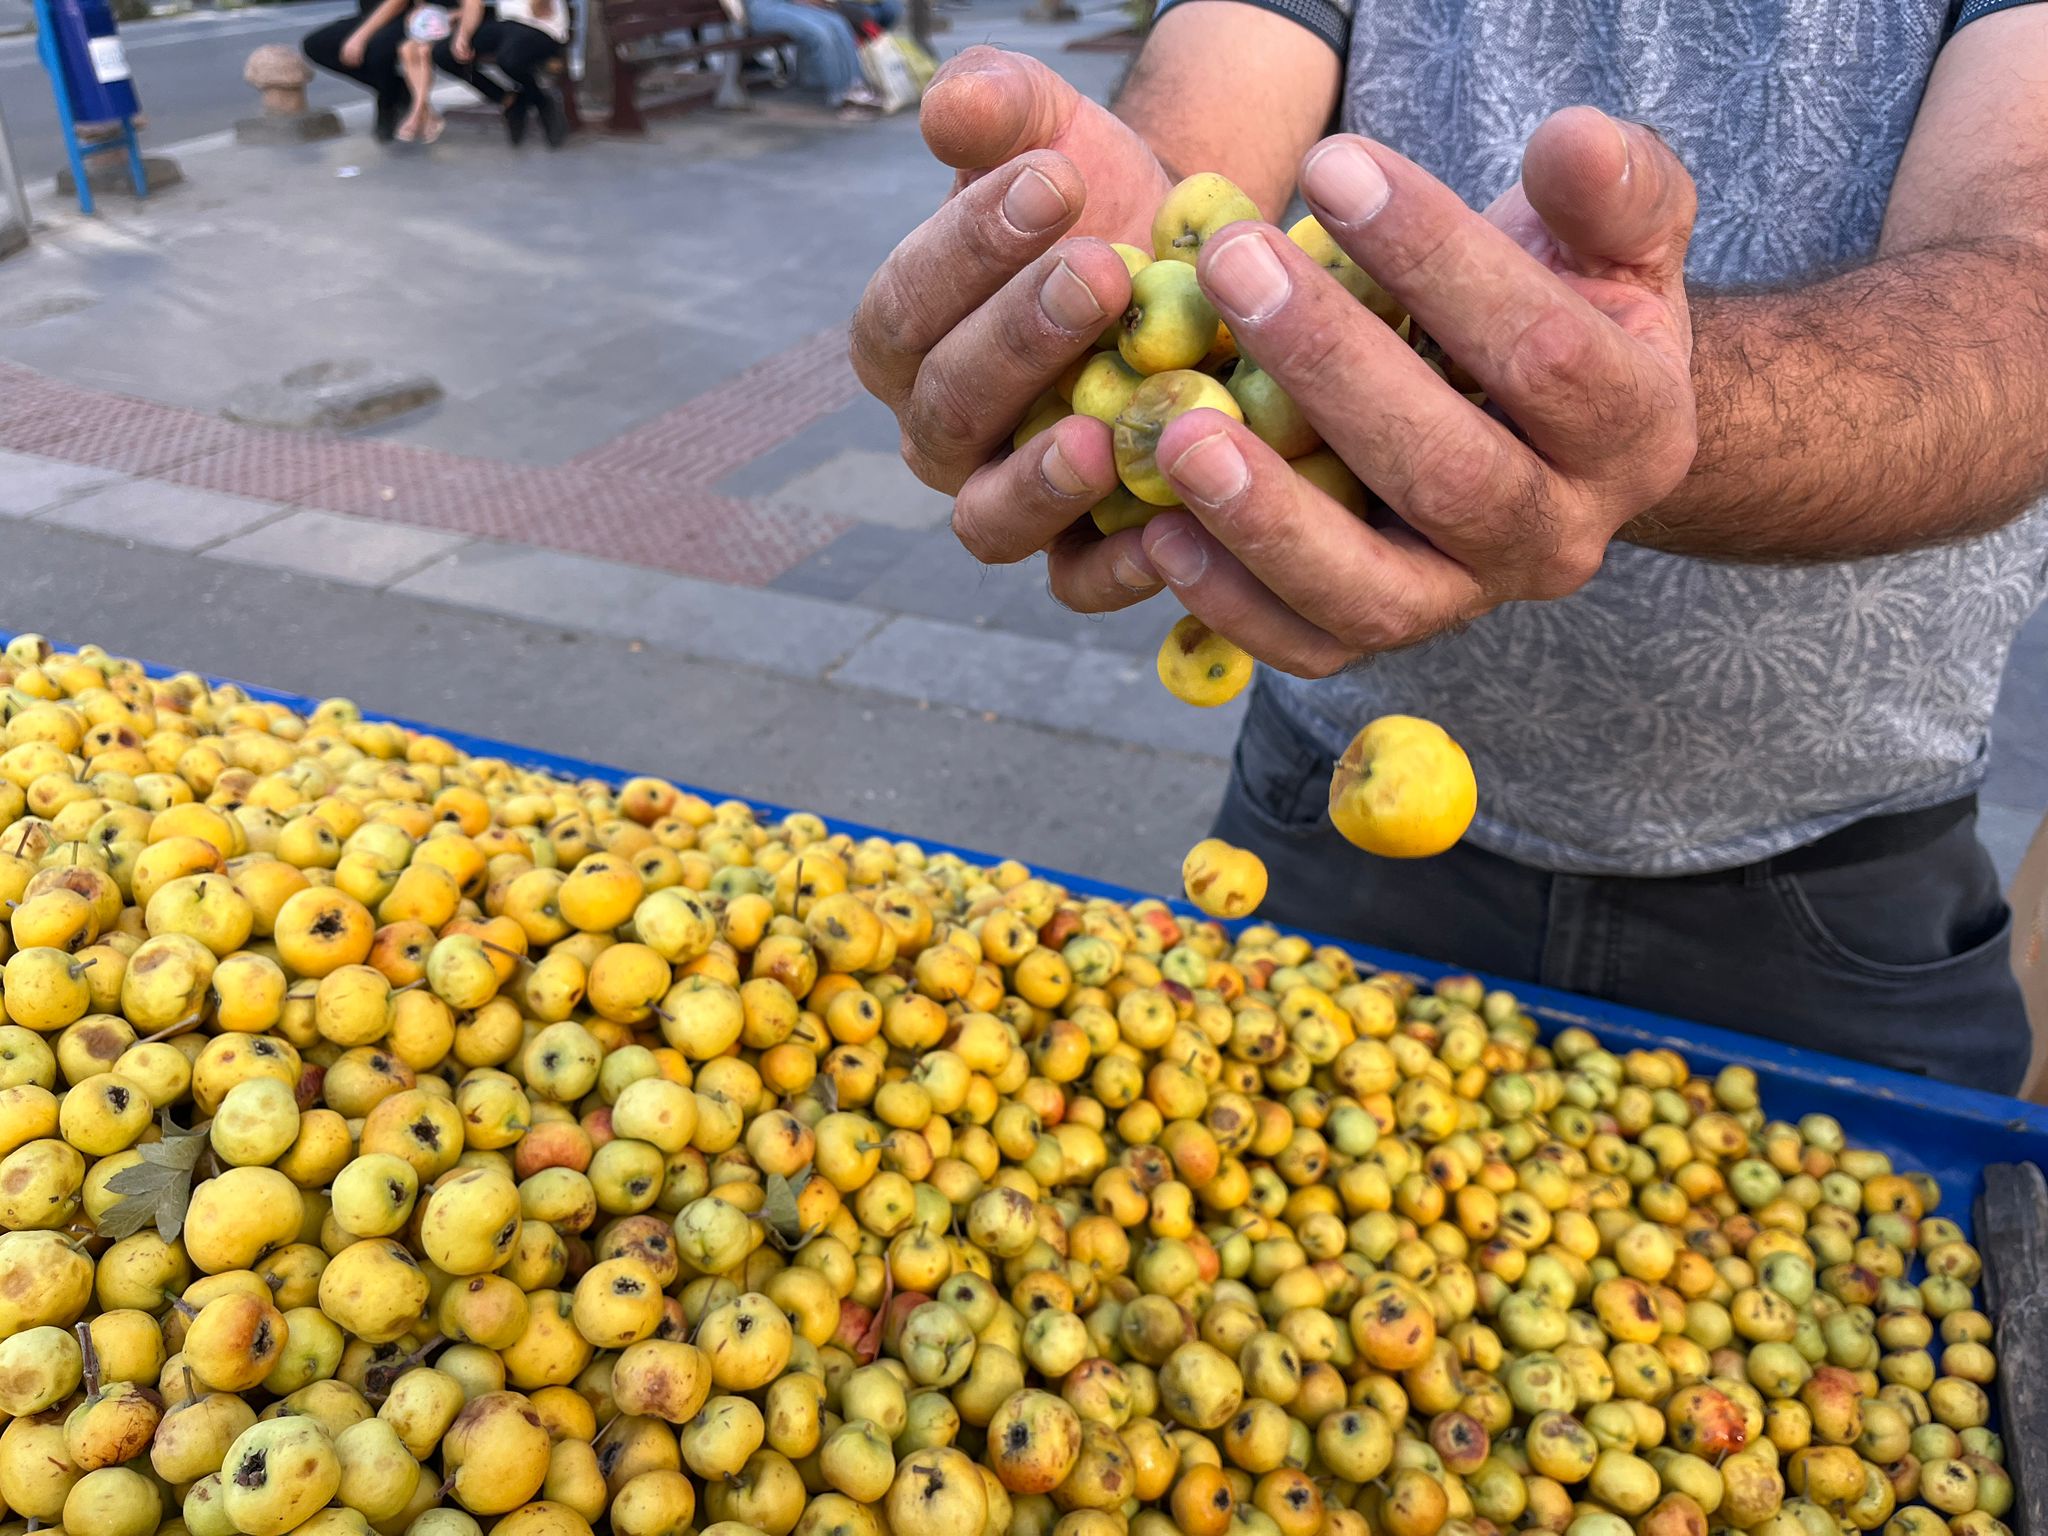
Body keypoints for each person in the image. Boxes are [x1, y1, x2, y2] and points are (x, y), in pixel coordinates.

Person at [850, 5, 2048, 1094]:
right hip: (1333, 807)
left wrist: (1628, 407)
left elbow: (2023, 287)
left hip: (1833, 871)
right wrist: (1107, 244)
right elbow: (1199, 132)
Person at [432, 0, 571, 146]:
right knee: (443, 54)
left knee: (509, 59)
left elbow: (542, 10)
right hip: (505, 25)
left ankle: (541, 101)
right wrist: (463, 36)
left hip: (543, 28)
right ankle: (507, 99)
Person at [743, 0, 882, 116]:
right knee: (821, 33)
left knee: (838, 22)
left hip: (786, 5)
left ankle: (855, 85)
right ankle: (840, 94)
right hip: (763, 10)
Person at [303, 0, 414, 140]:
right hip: (371, 14)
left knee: (378, 51)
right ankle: (396, 89)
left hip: (411, 17)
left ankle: (389, 102)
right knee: (316, 44)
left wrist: (360, 36)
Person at [396, 0, 456, 142]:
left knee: (423, 52)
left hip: (453, 22)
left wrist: (452, 16)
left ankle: (415, 114)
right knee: (405, 49)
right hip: (430, 23)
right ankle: (427, 113)